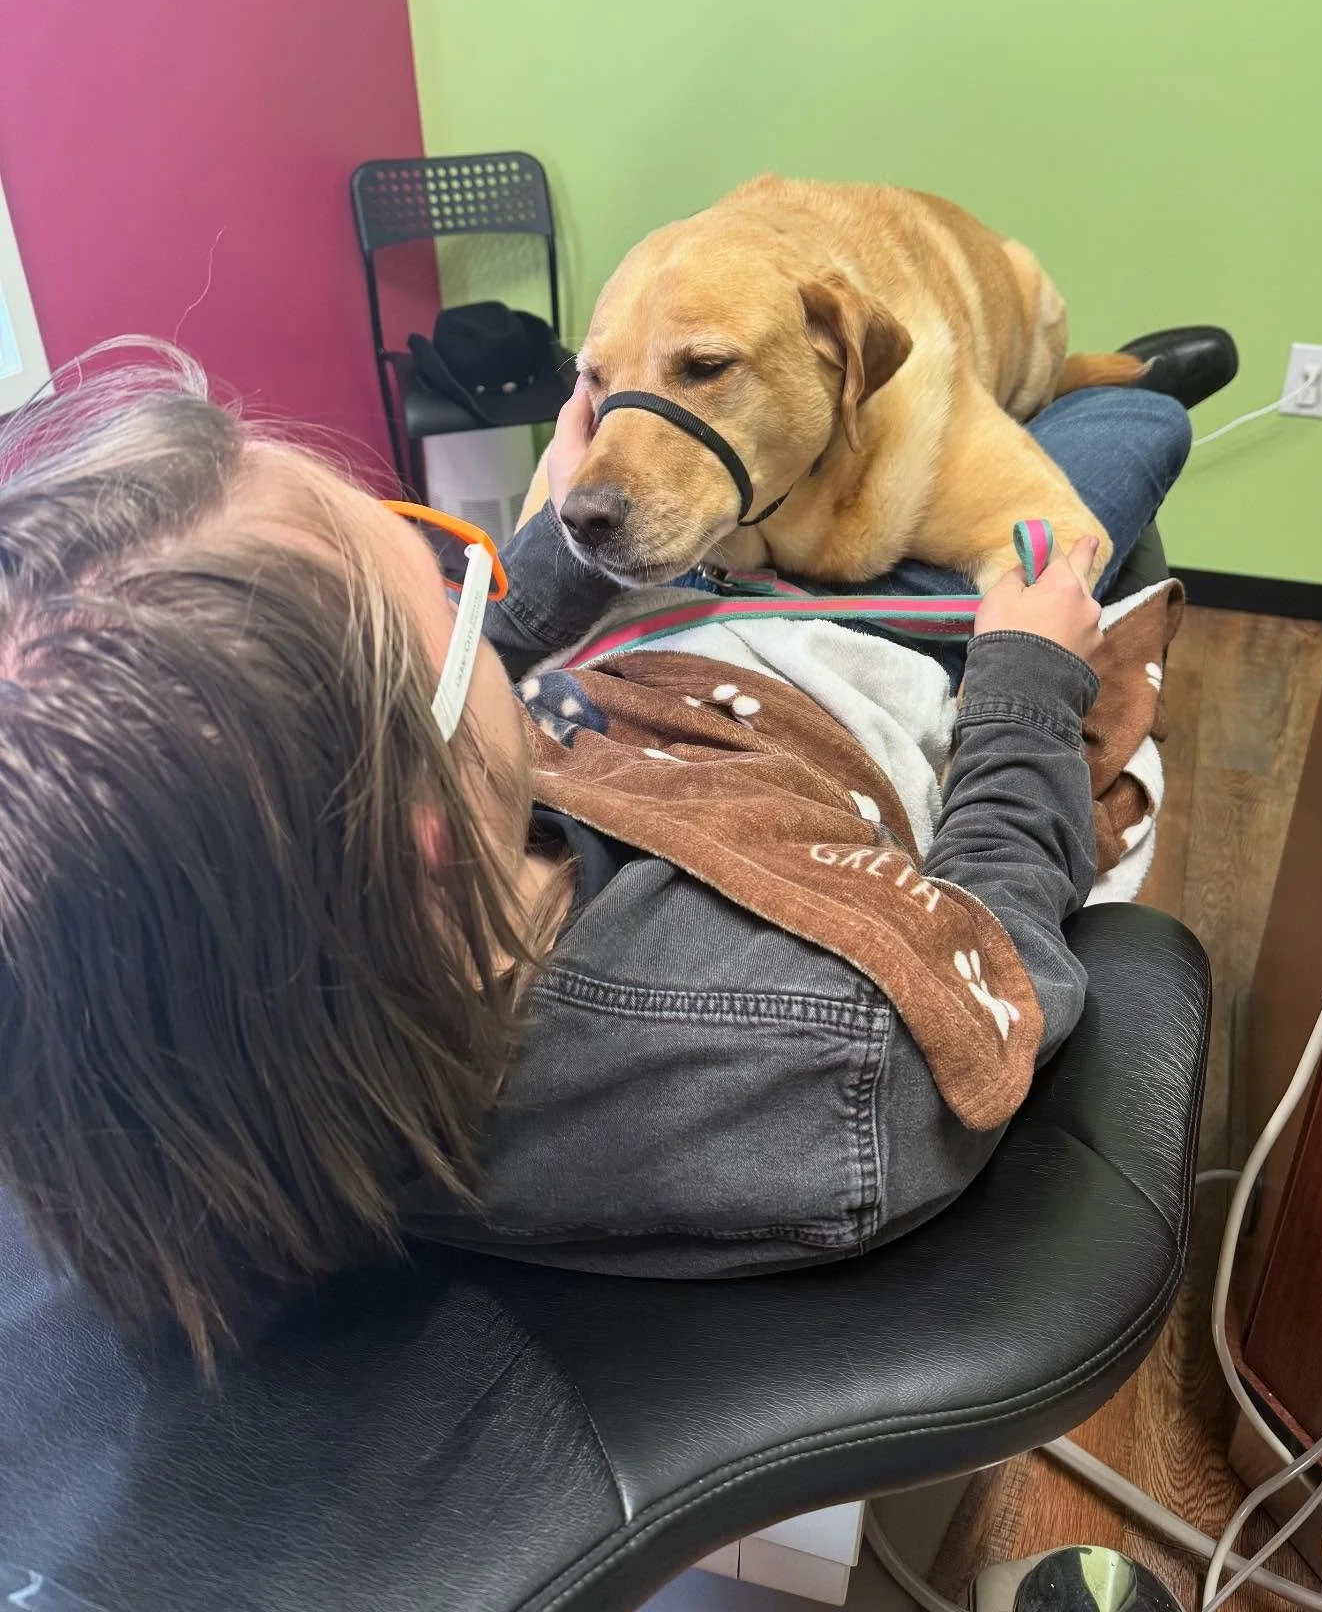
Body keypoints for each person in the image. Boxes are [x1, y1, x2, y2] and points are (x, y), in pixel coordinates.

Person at [0, 348, 1192, 1371]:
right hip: (881, 684)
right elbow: (992, 964)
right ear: (427, 833)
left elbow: (426, 703)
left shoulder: (250, 981)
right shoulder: (817, 1051)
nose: (484, 598)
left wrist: (563, 542)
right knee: (1135, 425)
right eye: (452, 593)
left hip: (699, 667)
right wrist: (1030, 679)